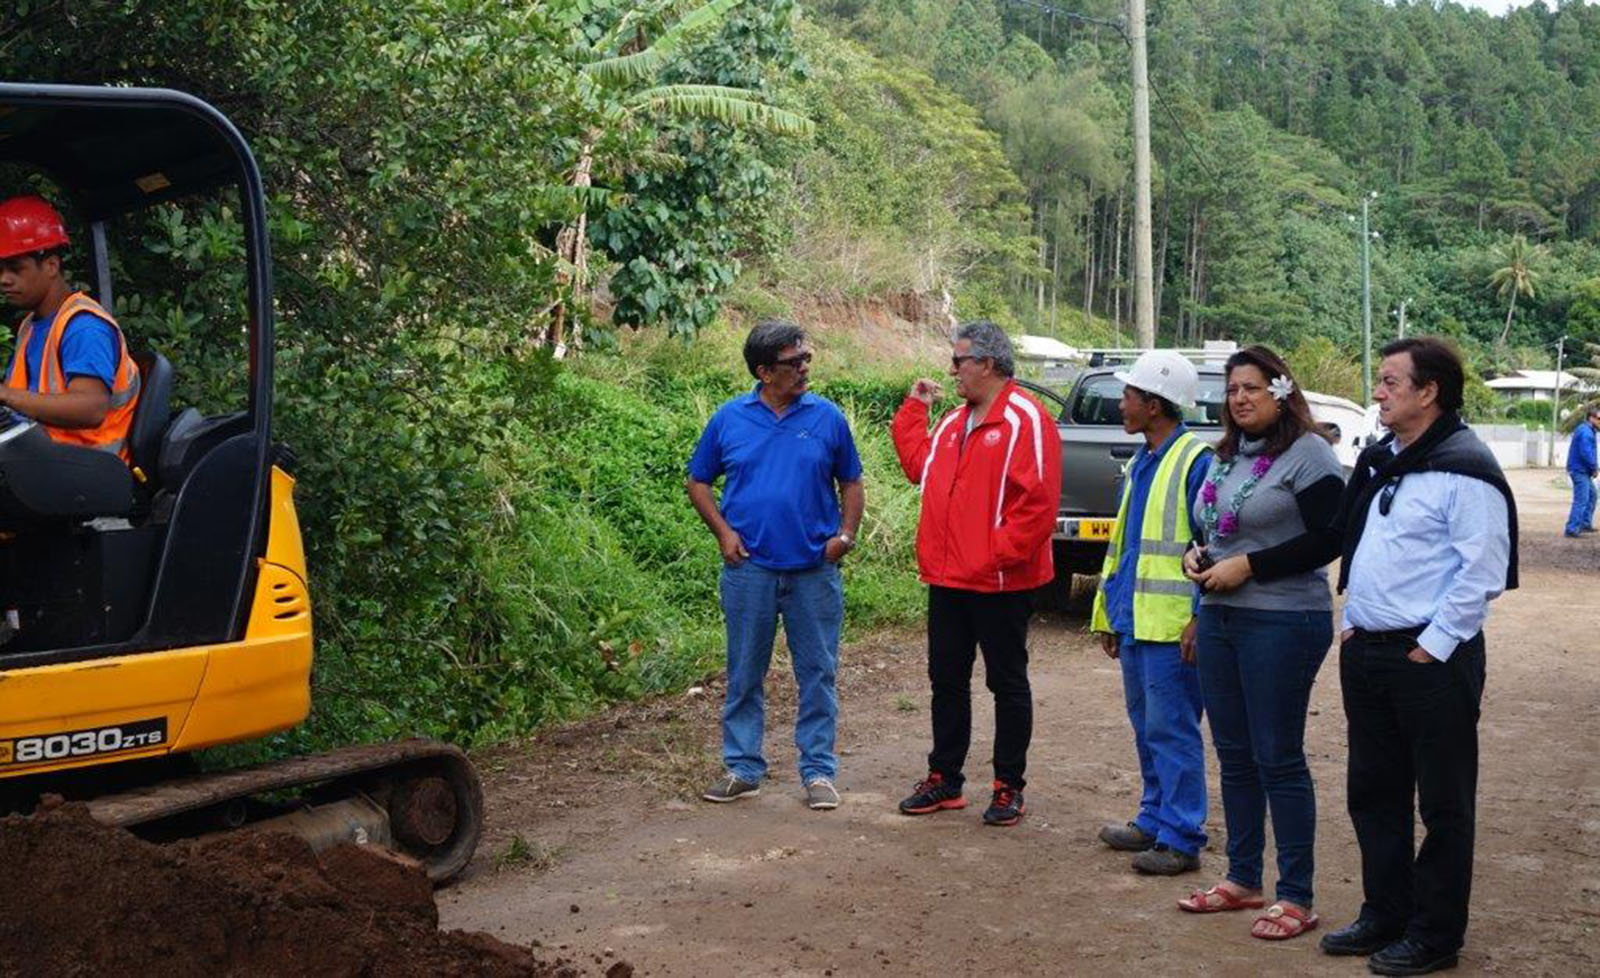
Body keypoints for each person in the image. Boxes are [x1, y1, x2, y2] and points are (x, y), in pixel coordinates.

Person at [1320, 337, 1516, 976]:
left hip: (1430, 660)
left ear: (1428, 392)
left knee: (1443, 802)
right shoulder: (1385, 460)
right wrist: (1355, 624)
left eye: (1388, 382)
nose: (1377, 392)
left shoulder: (1466, 467)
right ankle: (1386, 913)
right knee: (1373, 792)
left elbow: (1480, 572)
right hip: (1369, 653)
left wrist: (1429, 649)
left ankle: (1435, 935)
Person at [1174, 346, 1344, 940]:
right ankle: (1243, 879)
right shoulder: (1225, 456)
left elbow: (1330, 537)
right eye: (1232, 389)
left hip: (1283, 621)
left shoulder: (1309, 453)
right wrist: (1197, 556)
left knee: (1278, 756)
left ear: (1281, 390)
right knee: (1236, 755)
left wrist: (1251, 566)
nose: (1240, 398)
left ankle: (1296, 896)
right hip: (1220, 618)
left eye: (1252, 387)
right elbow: (1209, 527)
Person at [687, 320, 864, 811]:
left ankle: (818, 773)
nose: (805, 368)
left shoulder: (827, 418)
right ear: (765, 372)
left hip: (813, 571)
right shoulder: (730, 419)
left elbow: (851, 481)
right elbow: (698, 481)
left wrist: (844, 537)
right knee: (745, 671)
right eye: (793, 362)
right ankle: (743, 768)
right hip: (751, 571)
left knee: (818, 672)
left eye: (806, 358)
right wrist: (724, 533)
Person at [889, 321, 1061, 827]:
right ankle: (945, 778)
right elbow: (918, 466)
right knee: (946, 680)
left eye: (959, 360)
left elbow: (1039, 506)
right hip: (947, 579)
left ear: (987, 363)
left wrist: (991, 555)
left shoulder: (1027, 420)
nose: (952, 370)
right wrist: (915, 409)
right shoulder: (950, 422)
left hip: (999, 581)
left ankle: (1009, 785)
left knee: (1007, 683)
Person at [1087, 350, 1213, 876]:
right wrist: (1107, 615)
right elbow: (1124, 549)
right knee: (1147, 727)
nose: (1122, 404)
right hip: (1136, 621)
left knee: (1173, 730)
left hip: (1171, 627)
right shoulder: (1142, 460)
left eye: (1130, 395)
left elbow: (1213, 547)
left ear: (1156, 405)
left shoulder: (1196, 461)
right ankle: (1155, 818)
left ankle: (1181, 835)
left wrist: (1199, 617)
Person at [0, 195, 141, 460]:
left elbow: (91, 408)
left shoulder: (83, 327)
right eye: (0, 270)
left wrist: (6, 395)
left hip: (86, 474)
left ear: (52, 265)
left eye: (15, 268)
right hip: (42, 462)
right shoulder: (30, 326)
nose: (4, 280)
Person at [1564, 405, 1598, 538]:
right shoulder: (1585, 432)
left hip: (1581, 469)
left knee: (1592, 495)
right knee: (1581, 499)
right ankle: (1572, 528)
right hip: (1580, 470)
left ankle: (1584, 523)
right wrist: (1594, 467)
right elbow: (1586, 453)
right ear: (1591, 418)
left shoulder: (1587, 430)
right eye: (1599, 418)